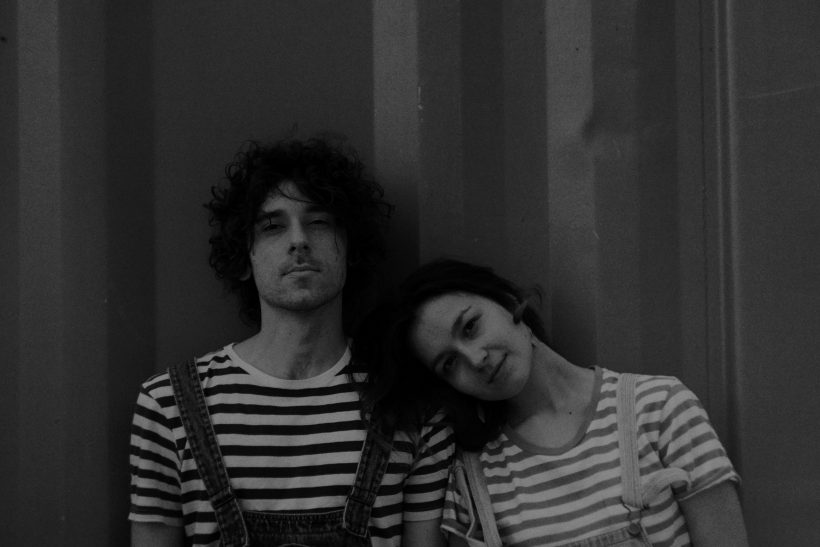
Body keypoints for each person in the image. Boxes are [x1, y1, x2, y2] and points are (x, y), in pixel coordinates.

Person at [129, 136, 454, 547]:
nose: (298, 240)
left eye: (319, 222)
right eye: (272, 226)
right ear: (244, 258)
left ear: (350, 248)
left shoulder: (414, 409)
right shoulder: (168, 404)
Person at [354, 258, 749, 546]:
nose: (476, 358)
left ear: (507, 301)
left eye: (471, 326)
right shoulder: (471, 476)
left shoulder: (659, 408)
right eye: (450, 363)